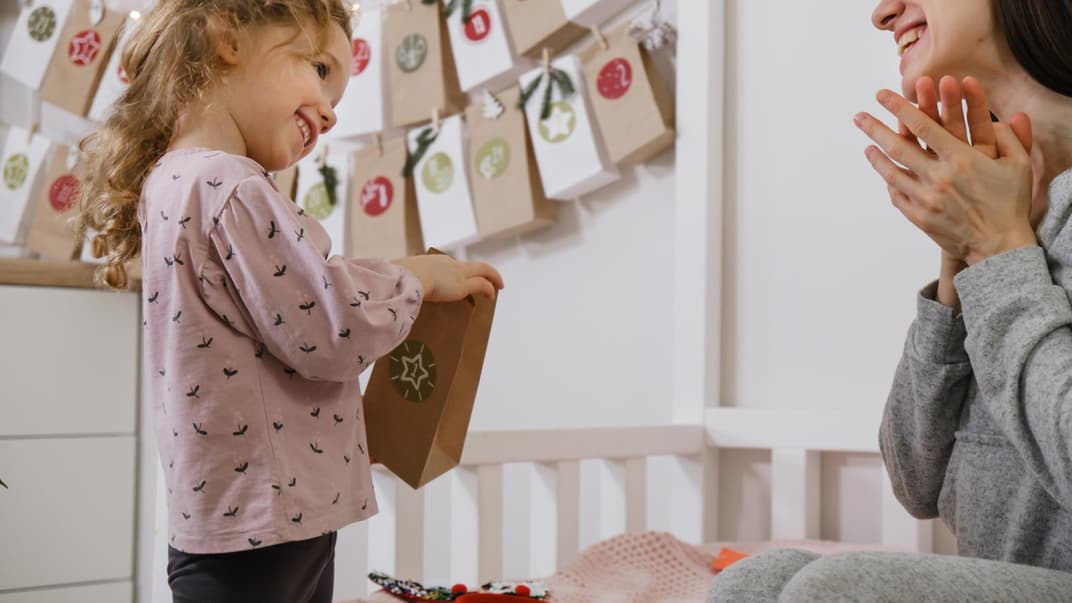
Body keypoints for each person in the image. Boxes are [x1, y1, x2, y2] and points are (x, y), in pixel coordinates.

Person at [77, 2, 503, 601]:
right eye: (321, 69)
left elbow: (285, 310)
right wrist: (418, 279)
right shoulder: (231, 185)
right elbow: (331, 327)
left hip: (225, 518)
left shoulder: (171, 183)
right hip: (267, 525)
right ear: (228, 39)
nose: (330, 112)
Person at [709, 0, 1072, 600]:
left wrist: (998, 252)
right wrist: (962, 263)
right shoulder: (1006, 214)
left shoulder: (1006, 237)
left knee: (836, 590)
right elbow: (915, 479)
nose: (883, 13)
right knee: (755, 582)